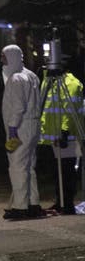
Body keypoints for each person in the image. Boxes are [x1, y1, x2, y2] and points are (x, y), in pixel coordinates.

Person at [1, 44, 42, 220]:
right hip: (33, 126)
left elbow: (18, 106)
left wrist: (12, 128)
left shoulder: (16, 78)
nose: (1, 60)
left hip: (21, 127)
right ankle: (33, 204)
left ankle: (20, 207)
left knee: (17, 167)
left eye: (3, 57)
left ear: (11, 57)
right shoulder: (31, 76)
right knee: (29, 167)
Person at [39, 68, 83, 215]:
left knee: (66, 171)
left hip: (67, 136)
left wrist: (64, 131)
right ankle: (60, 202)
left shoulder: (71, 83)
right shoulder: (51, 82)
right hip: (53, 136)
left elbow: (70, 110)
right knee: (57, 172)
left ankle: (67, 204)